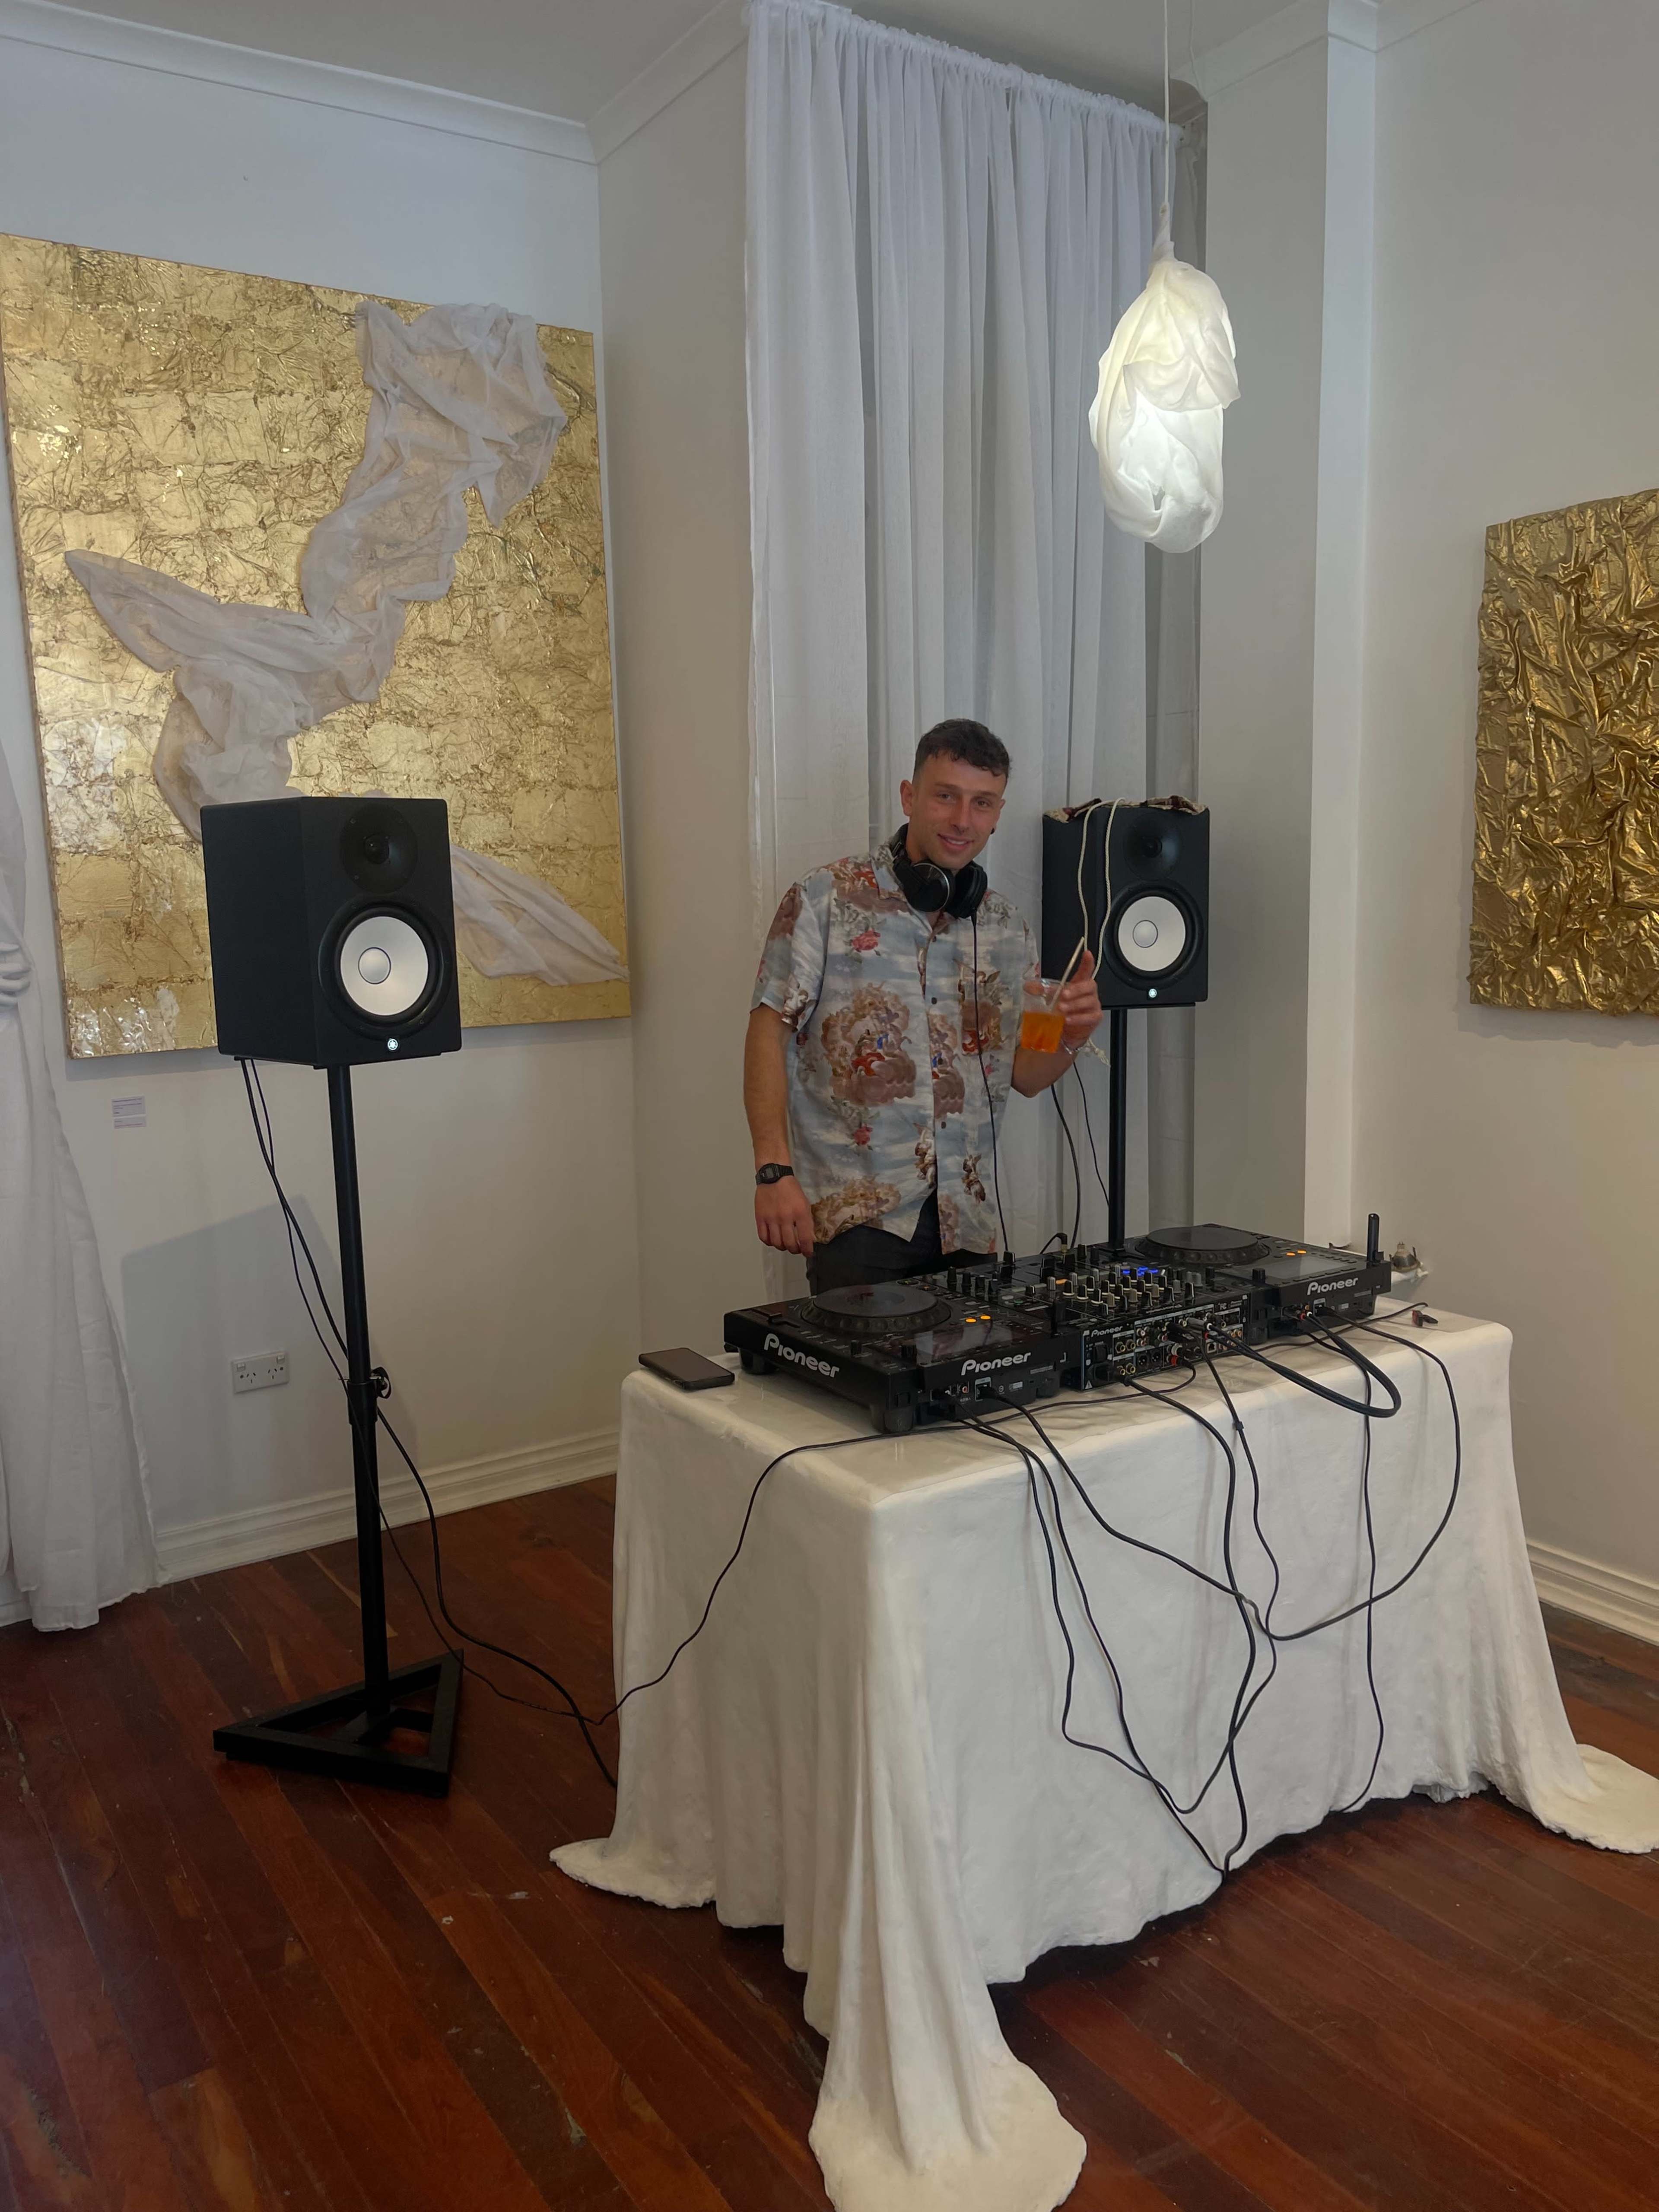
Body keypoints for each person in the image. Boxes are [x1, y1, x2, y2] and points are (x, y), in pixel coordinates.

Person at [745, 719, 1103, 1293]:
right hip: (859, 1217)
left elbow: (1028, 1074)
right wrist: (773, 1171)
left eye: (982, 803)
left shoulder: (1007, 926)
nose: (963, 819)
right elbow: (768, 1031)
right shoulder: (823, 898)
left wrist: (1071, 1034)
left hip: (970, 1220)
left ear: (998, 812)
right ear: (910, 797)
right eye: (946, 796)